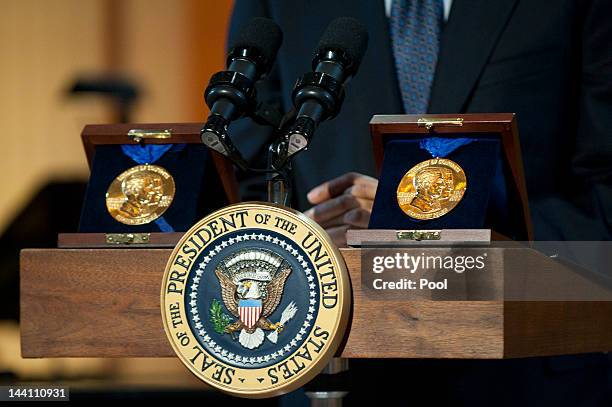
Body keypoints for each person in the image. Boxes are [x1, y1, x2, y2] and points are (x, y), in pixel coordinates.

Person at [228, 0, 612, 405]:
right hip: (336, 373)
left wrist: (428, 226)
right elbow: (251, 184)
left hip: (525, 375)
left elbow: (604, 203)